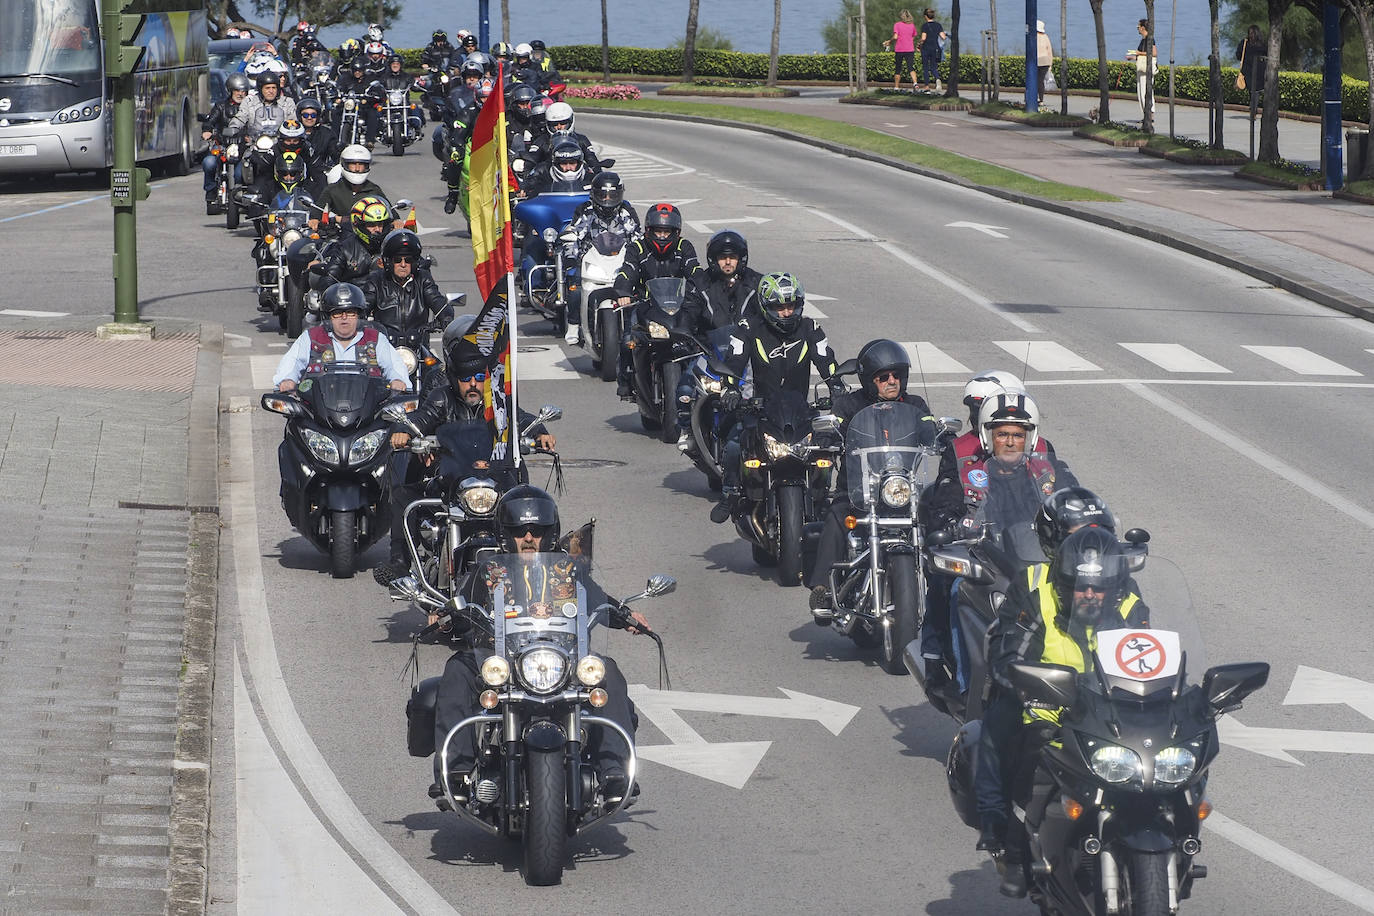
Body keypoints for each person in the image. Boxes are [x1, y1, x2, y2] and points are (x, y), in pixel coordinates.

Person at [429, 486, 648, 804]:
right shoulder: (487, 571)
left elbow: (598, 600)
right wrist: (446, 616)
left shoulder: (567, 570)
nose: (528, 538)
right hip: (500, 659)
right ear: (505, 534)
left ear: (550, 533)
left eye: (537, 531)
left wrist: (625, 616)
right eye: (520, 531)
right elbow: (461, 603)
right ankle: (455, 775)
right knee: (457, 672)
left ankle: (614, 772)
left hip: (562, 657)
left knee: (607, 671)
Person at [973, 526, 1148, 897]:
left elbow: (1149, 658)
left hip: (1111, 713)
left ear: (1112, 588)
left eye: (1097, 588)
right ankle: (1017, 851)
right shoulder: (1038, 597)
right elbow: (1009, 657)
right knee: (1029, 753)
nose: (1089, 595)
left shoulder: (1131, 604)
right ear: (1065, 584)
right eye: (1080, 587)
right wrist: (1034, 686)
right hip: (1047, 707)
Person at [376, 320, 555, 585]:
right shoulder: (441, 398)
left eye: (479, 378)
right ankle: (400, 561)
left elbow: (521, 418)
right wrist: (403, 431)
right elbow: (421, 418)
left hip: (495, 475)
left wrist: (539, 431)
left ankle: (545, 565)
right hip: (454, 476)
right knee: (404, 497)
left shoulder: (498, 400)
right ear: (454, 378)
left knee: (533, 503)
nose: (473, 384)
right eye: (466, 379)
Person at [921, 390, 1077, 691]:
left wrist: (1087, 525)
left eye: (1017, 435)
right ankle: (965, 684)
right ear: (987, 435)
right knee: (957, 588)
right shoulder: (968, 468)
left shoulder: (1046, 468)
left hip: (1039, 559)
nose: (1009, 442)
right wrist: (953, 523)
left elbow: (1073, 497)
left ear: (1029, 438)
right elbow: (945, 505)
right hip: (988, 560)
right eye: (1002, 434)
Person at [807, 340, 933, 617]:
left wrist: (941, 434)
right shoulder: (849, 404)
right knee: (837, 516)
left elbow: (928, 426)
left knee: (937, 522)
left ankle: (939, 586)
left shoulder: (914, 404)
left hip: (903, 490)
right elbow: (835, 422)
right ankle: (822, 589)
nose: (892, 382)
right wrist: (826, 434)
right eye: (883, 377)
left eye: (897, 376)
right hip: (858, 489)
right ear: (868, 380)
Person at [709, 272, 840, 523]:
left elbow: (827, 362)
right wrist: (730, 389)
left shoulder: (810, 328)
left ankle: (824, 495)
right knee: (736, 442)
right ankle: (730, 494)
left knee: (828, 444)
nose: (787, 312)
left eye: (791, 305)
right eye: (779, 307)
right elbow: (734, 362)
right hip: (762, 409)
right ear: (765, 306)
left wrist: (837, 387)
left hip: (801, 410)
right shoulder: (748, 329)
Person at [671, 230, 762, 450]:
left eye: (733, 256)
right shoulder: (699, 283)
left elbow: (769, 313)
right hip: (710, 352)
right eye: (723, 257)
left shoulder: (757, 282)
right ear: (713, 259)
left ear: (742, 258)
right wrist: (682, 335)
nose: (728, 261)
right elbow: (688, 311)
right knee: (685, 387)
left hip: (747, 354)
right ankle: (687, 429)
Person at [612, 203, 703, 399]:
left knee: (698, 339)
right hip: (646, 305)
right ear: (648, 230)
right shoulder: (637, 247)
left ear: (676, 232)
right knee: (629, 339)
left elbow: (694, 270)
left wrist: (703, 288)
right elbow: (627, 271)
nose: (662, 236)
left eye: (667, 232)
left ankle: (699, 381)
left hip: (678, 306)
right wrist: (623, 291)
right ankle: (626, 379)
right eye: (658, 231)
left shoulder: (683, 247)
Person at [271, 282, 410, 392]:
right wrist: (287, 380)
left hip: (368, 410)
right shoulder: (311, 337)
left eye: (350, 312)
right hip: (319, 409)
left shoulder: (375, 338)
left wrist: (398, 380)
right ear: (328, 316)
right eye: (337, 313)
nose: (344, 318)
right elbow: (293, 362)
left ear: (359, 315)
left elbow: (393, 365)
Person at [564, 171, 641, 345]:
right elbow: (574, 234)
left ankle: (636, 327)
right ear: (594, 194)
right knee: (575, 288)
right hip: (590, 260)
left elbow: (636, 236)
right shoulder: (585, 210)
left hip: (621, 261)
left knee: (640, 289)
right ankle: (574, 324)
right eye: (602, 195)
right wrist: (571, 257)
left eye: (612, 195)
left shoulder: (626, 211)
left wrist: (638, 257)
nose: (607, 200)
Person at [310, 195, 394, 291]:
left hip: (384, 301)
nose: (377, 230)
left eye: (380, 224)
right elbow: (330, 277)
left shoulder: (391, 247)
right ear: (358, 224)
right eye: (371, 225)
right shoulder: (344, 248)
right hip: (354, 300)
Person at [201, 72, 250, 211]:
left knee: (241, 173)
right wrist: (207, 130)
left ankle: (243, 196)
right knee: (209, 163)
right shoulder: (220, 106)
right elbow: (210, 121)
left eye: (243, 91)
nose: (240, 94)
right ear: (230, 90)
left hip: (243, 148)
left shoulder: (251, 107)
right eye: (237, 90)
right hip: (222, 145)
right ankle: (210, 192)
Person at [314, 145, 391, 230]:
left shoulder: (374, 189)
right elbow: (318, 210)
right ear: (344, 164)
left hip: (368, 236)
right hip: (340, 235)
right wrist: (314, 220)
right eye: (353, 164)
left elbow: (389, 211)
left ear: (367, 166)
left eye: (361, 164)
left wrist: (396, 221)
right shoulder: (332, 190)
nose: (357, 168)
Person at [225, 70, 297, 142]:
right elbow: (241, 117)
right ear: (260, 89)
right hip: (254, 143)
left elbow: (293, 120)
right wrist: (233, 128)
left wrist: (293, 128)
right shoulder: (249, 102)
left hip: (280, 143)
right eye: (267, 88)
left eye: (274, 88)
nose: (271, 91)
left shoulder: (287, 102)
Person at [1126, 19, 1157, 121]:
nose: (1137, 29)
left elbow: (1154, 53)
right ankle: (1145, 115)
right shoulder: (1143, 40)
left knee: (1146, 91)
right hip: (1141, 68)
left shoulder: (1150, 39)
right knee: (1140, 92)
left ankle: (1150, 114)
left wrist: (1139, 53)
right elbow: (1143, 54)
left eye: (1138, 27)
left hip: (1146, 69)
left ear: (1143, 28)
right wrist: (1133, 57)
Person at [882, 10, 918, 92]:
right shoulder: (912, 26)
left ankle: (896, 87)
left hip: (900, 49)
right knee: (910, 67)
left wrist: (889, 41)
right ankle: (915, 83)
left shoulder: (897, 25)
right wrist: (908, 41)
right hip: (910, 49)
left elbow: (895, 37)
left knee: (898, 68)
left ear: (901, 16)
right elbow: (914, 36)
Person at [917, 9, 947, 92]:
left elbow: (923, 38)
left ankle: (926, 86)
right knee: (934, 67)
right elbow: (943, 37)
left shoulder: (925, 26)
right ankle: (937, 79)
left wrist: (919, 44)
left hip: (926, 48)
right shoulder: (938, 25)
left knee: (925, 67)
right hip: (935, 48)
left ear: (925, 16)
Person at [1235, 24, 1264, 103]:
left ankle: (1253, 108)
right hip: (1252, 71)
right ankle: (1253, 108)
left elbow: (1238, 55)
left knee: (1254, 90)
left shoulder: (1246, 43)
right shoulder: (1260, 44)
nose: (1251, 35)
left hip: (1255, 71)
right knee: (1254, 91)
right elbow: (1239, 55)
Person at [1035, 20, 1053, 100]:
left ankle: (1032, 97)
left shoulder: (1033, 36)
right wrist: (1050, 64)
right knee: (1040, 81)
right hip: (1045, 61)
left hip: (1036, 60)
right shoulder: (1046, 37)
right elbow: (1049, 51)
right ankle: (1041, 99)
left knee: (1033, 79)